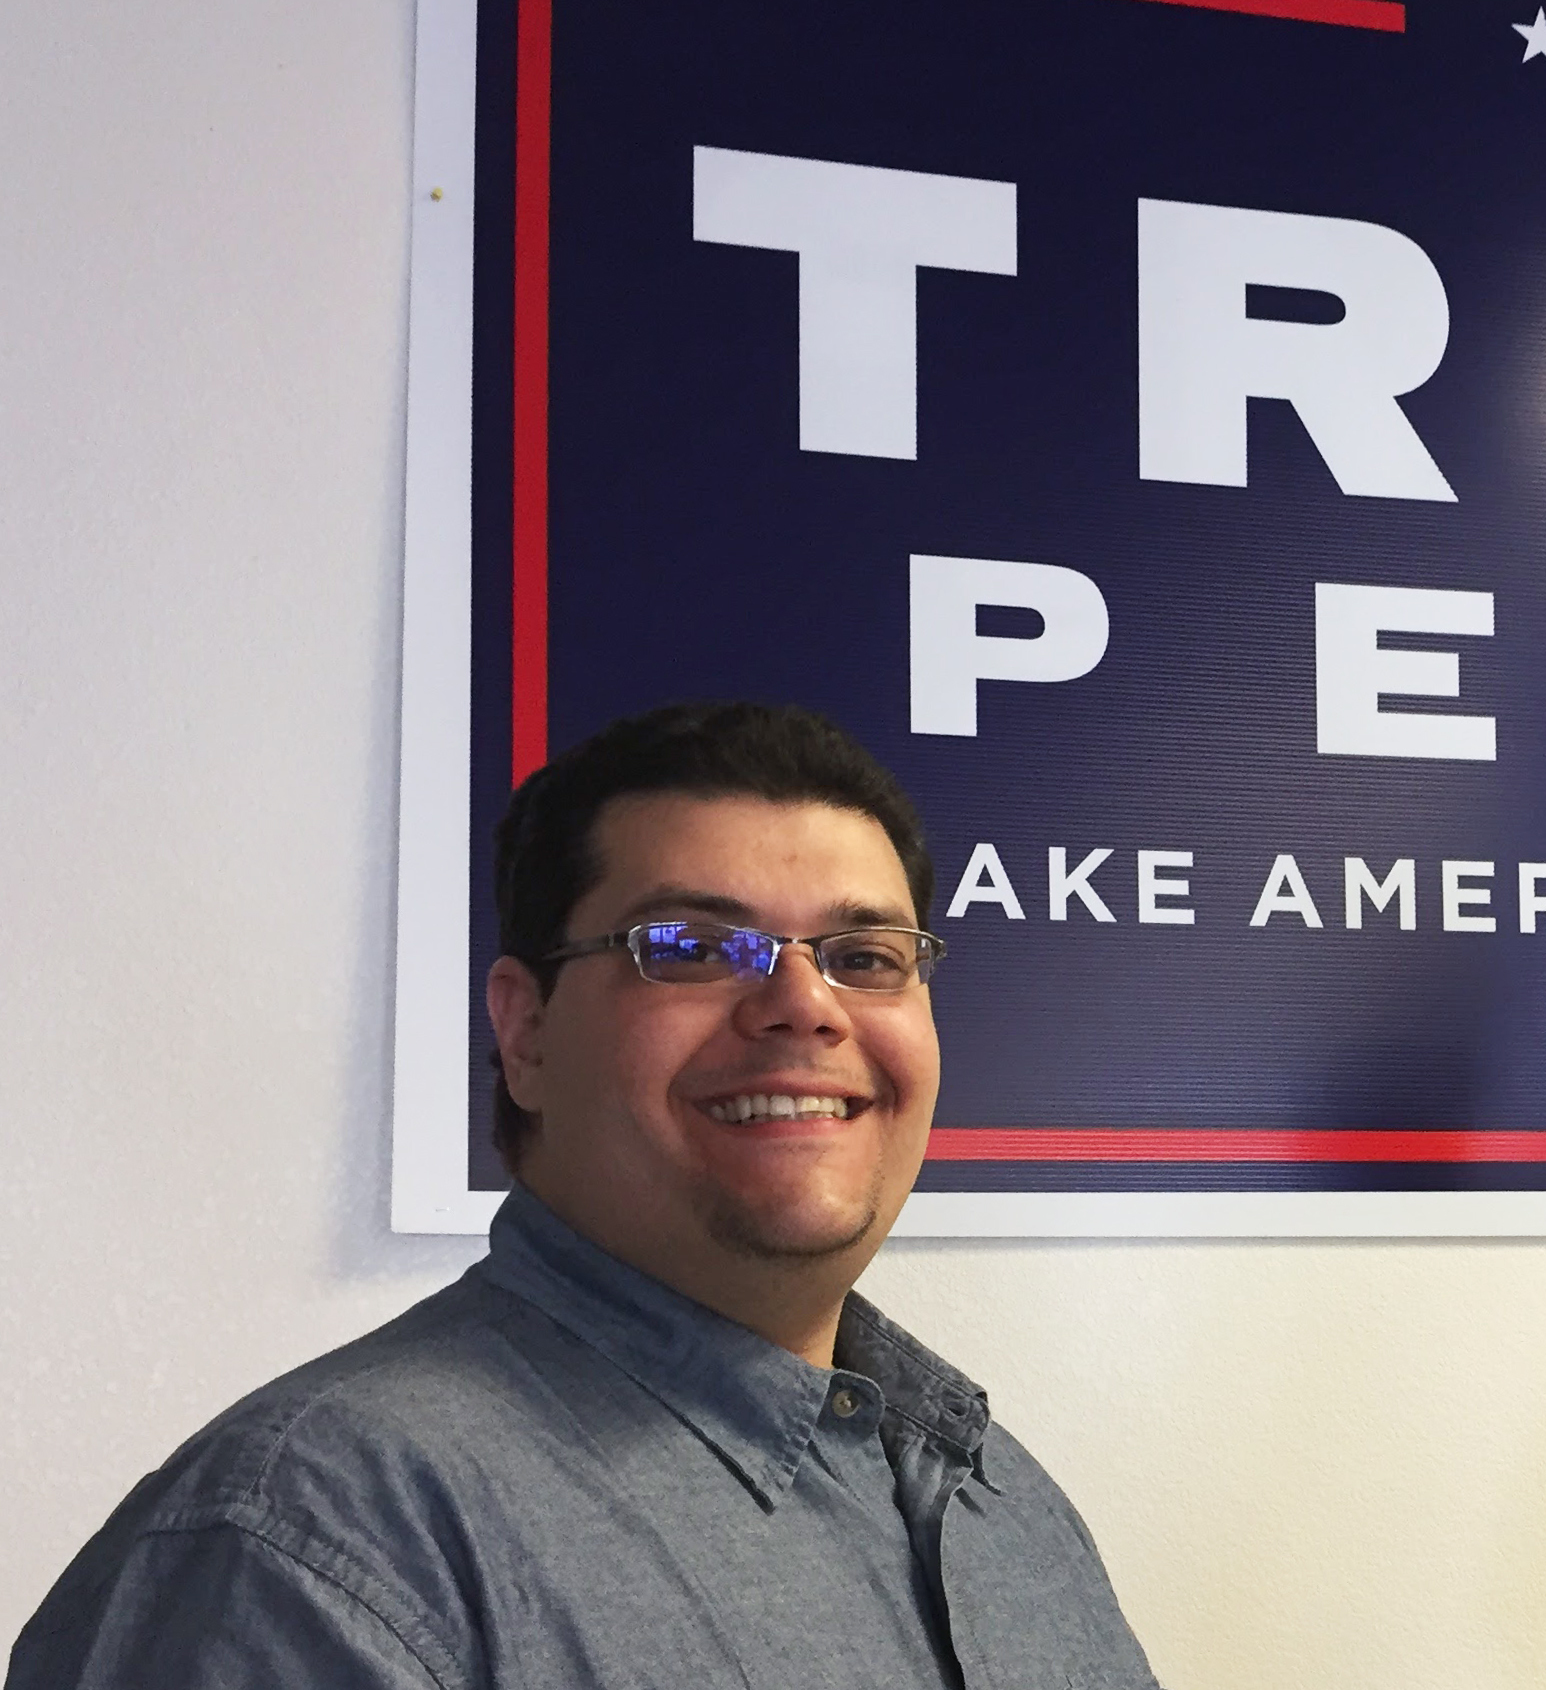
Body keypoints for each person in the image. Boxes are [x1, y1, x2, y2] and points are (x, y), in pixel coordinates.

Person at [10, 703, 1158, 1690]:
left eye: (863, 958)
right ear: (527, 1033)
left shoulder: (999, 1505)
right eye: (696, 948)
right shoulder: (311, 1544)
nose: (807, 1007)